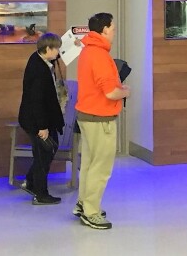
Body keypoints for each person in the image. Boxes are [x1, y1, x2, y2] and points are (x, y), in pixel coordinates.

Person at [74, 12, 129, 230]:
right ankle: (91, 212)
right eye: (113, 27)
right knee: (101, 167)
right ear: (105, 29)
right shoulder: (99, 55)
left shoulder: (88, 51)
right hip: (100, 119)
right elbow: (110, 93)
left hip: (87, 117)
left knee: (88, 164)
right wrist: (126, 92)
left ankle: (83, 204)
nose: (114, 31)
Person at [17, 32, 65, 205]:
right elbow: (36, 100)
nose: (58, 52)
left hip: (37, 118)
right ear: (47, 49)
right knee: (43, 155)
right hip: (36, 120)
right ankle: (41, 194)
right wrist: (42, 127)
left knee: (47, 151)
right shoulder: (39, 70)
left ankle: (30, 182)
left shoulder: (39, 59)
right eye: (56, 48)